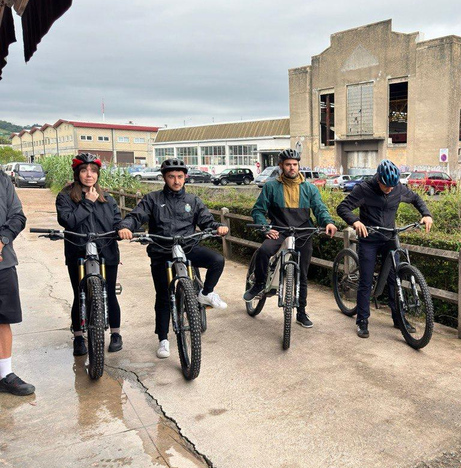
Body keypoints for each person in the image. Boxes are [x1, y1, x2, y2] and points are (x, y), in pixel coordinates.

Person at [117, 158, 229, 359]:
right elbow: (136, 216)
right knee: (163, 296)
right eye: (171, 177)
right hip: (161, 251)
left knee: (217, 260)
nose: (176, 181)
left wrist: (216, 228)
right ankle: (163, 339)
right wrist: (125, 227)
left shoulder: (193, 201)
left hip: (188, 247)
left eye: (180, 176)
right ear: (164, 178)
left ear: (185, 177)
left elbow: (206, 222)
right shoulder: (152, 199)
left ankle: (206, 293)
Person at [337, 160, 433, 339]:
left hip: (389, 237)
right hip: (370, 239)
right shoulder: (364, 189)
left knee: (394, 278)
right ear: (378, 179)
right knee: (366, 280)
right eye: (386, 186)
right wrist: (355, 221)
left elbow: (416, 199)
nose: (389, 189)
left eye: (392, 186)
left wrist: (426, 214)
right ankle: (362, 321)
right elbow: (342, 207)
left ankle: (399, 319)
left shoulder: (397, 188)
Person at [247, 149, 337, 328]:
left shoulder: (309, 188)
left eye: (294, 164)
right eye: (288, 164)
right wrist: (265, 228)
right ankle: (258, 284)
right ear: (281, 166)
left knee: (302, 274)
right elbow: (258, 210)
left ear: (298, 165)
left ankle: (301, 312)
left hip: (303, 232)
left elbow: (319, 208)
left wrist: (328, 222)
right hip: (279, 230)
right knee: (264, 251)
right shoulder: (271, 187)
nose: (291, 168)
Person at [56, 153, 123, 355]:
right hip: (77, 251)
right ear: (77, 173)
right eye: (84, 170)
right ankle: (78, 337)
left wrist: (123, 229)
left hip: (106, 251)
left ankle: (116, 333)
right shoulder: (65, 196)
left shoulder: (108, 198)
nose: (89, 175)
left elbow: (116, 221)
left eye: (93, 171)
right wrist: (88, 203)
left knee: (109, 293)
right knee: (79, 294)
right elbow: (68, 221)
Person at [0, 170, 34, 396]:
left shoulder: (2, 180)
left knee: (3, 318)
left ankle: (5, 373)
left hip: (3, 261)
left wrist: (2, 239)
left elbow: (18, 216)